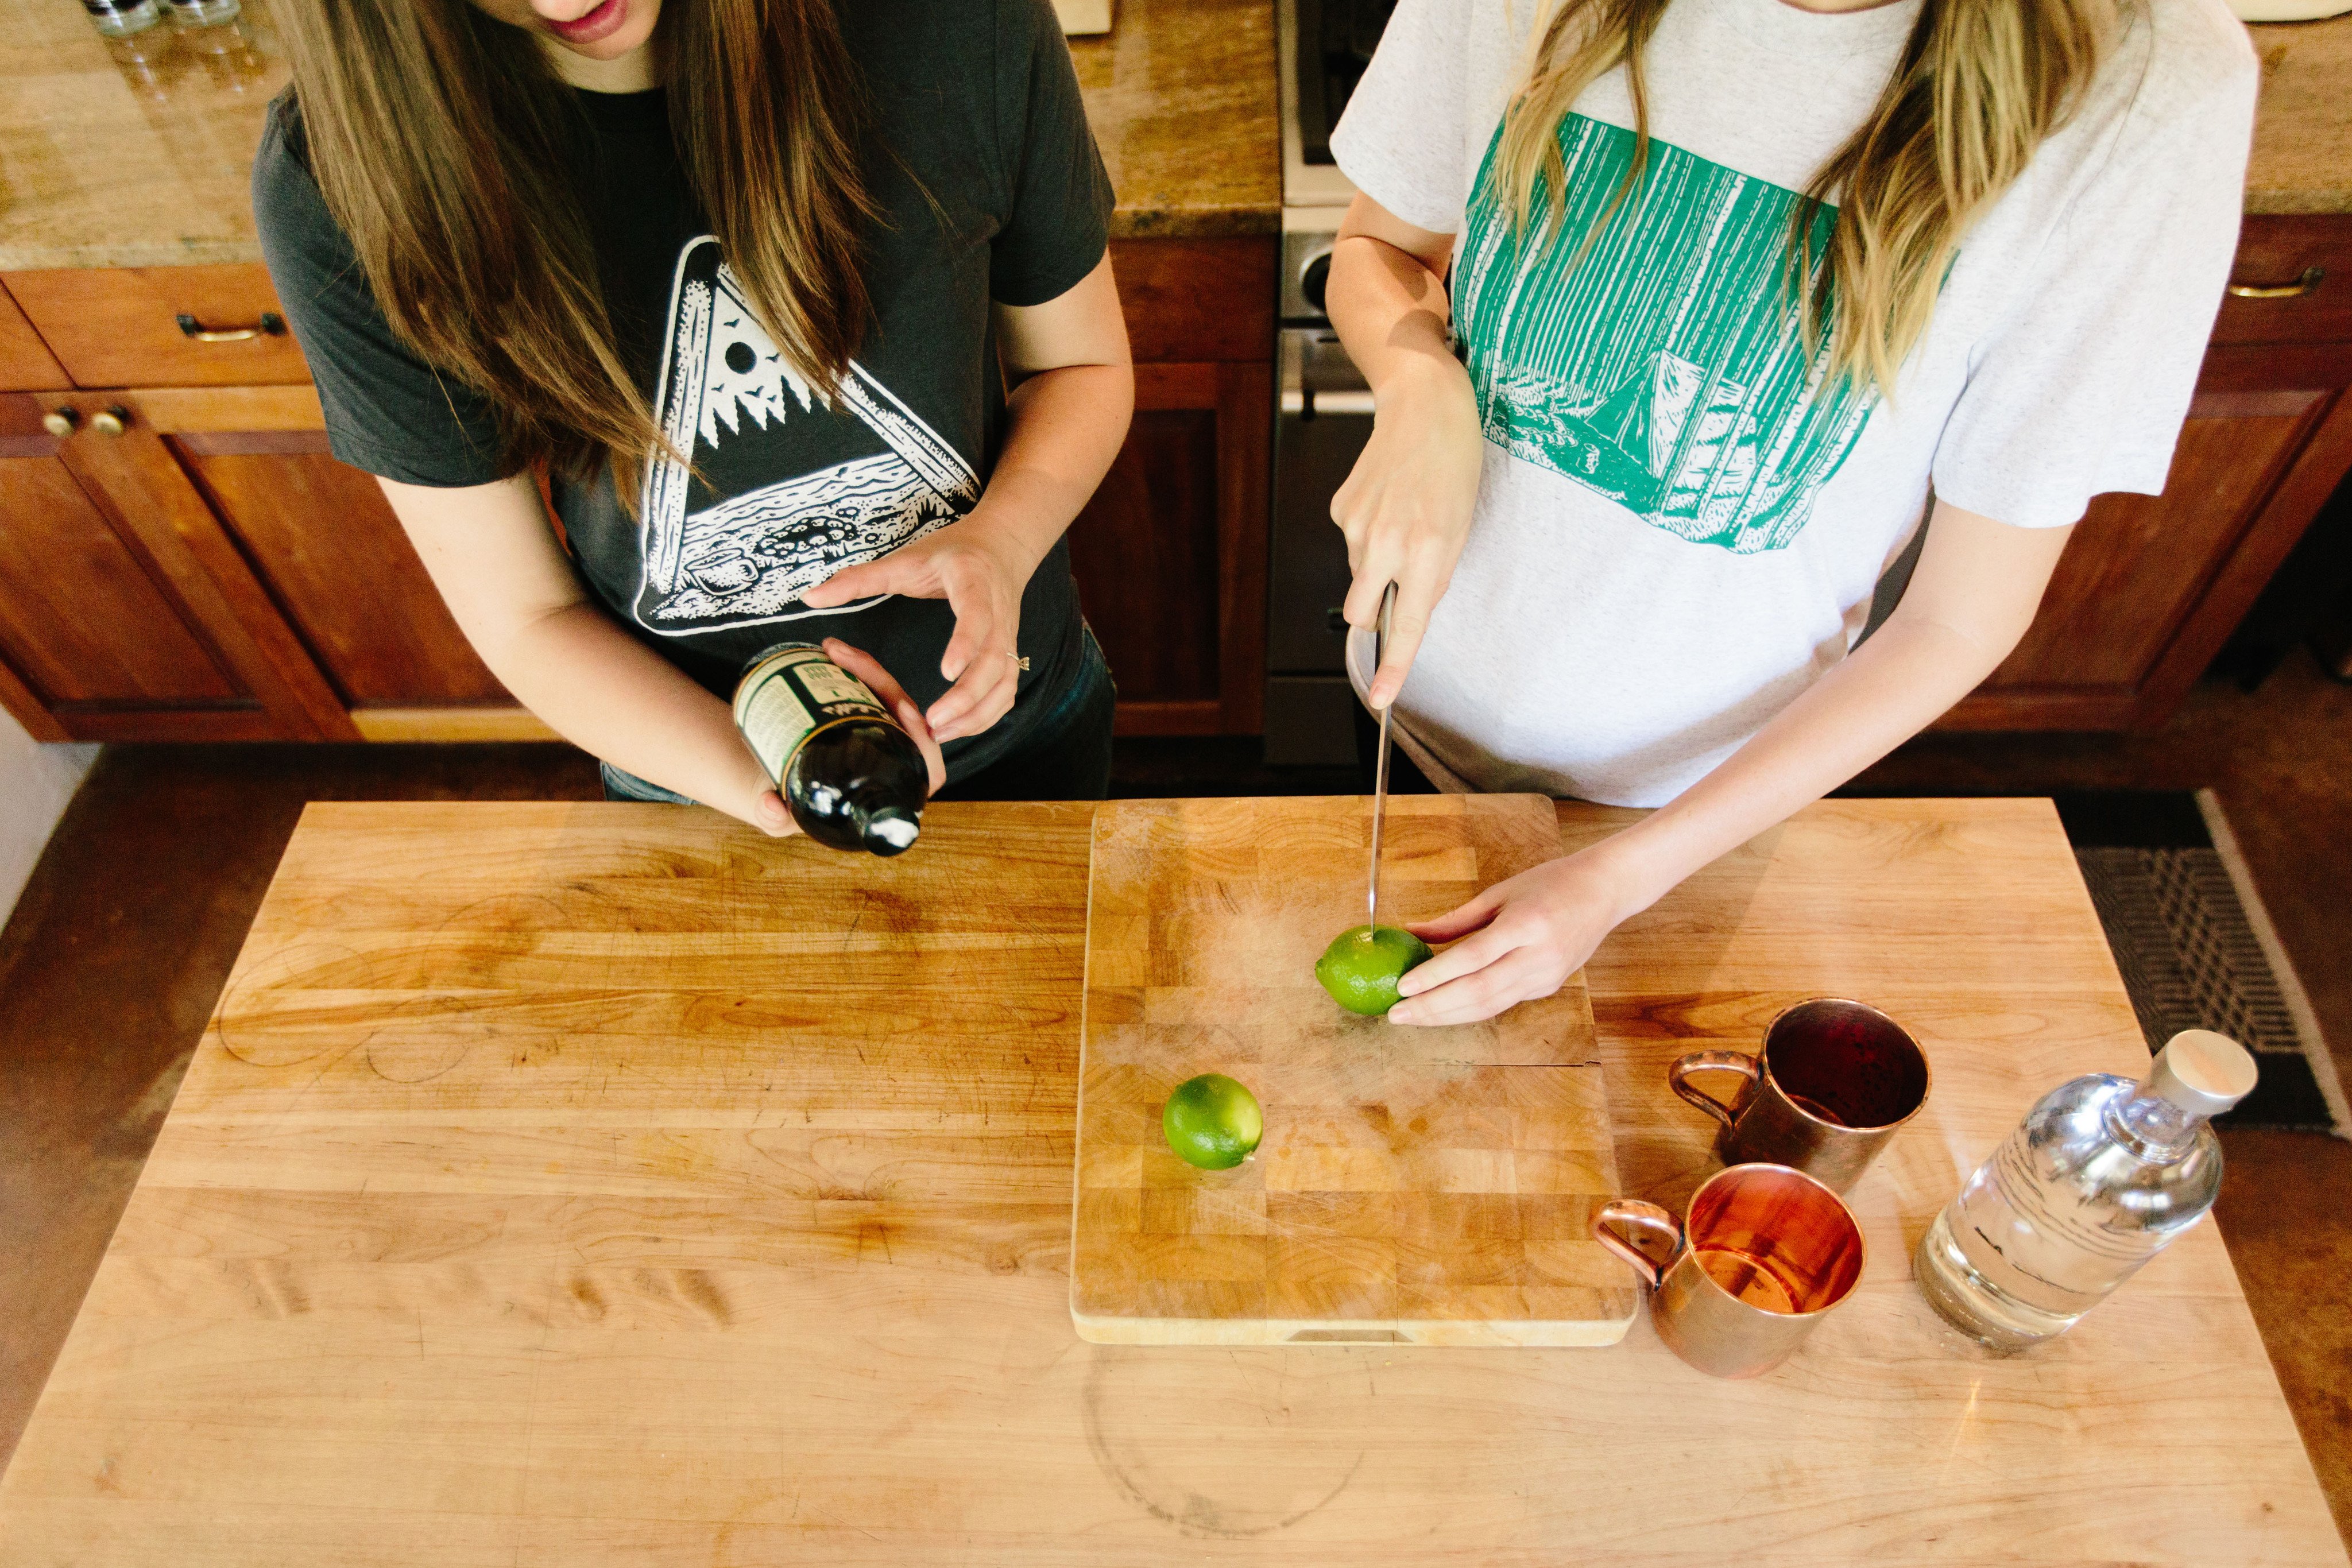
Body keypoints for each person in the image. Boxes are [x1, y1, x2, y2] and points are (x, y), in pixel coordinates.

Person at [1326, 0, 2255, 1026]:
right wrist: (1423, 386)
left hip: (1693, 819)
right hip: (1399, 717)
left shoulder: (2150, 89)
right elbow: (1380, 245)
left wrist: (1616, 881)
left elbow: (1960, 618)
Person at [255, 0, 1132, 830]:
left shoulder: (949, 23)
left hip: (1030, 722)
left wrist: (1004, 543)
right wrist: (760, 781)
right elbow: (525, 615)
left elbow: (1080, 364)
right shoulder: (344, 184)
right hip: (697, 775)